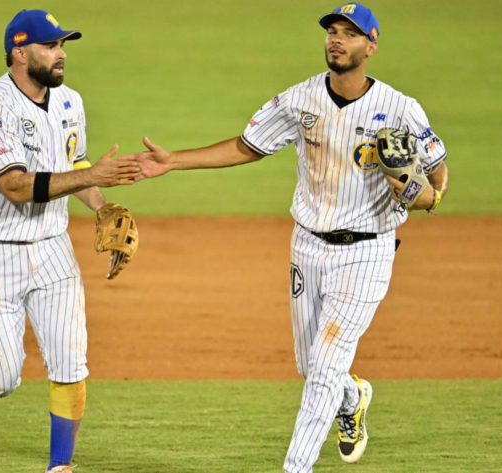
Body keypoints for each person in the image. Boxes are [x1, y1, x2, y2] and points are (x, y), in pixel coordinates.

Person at [133, 3, 449, 472]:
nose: (336, 39)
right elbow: (247, 146)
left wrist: (422, 195)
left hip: (367, 251)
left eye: (349, 33)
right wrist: (175, 160)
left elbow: (437, 177)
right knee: (312, 366)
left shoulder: (401, 109)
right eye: (332, 32)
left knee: (323, 364)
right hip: (307, 246)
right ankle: (352, 397)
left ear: (371, 45)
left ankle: (295, 467)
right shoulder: (301, 99)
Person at [0, 10, 141, 473]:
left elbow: (73, 172)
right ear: (19, 53)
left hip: (53, 247)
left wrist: (103, 205)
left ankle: (61, 465)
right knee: (4, 378)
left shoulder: (69, 102)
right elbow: (16, 186)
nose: (61, 55)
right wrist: (93, 174)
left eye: (64, 45)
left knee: (70, 363)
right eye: (51, 45)